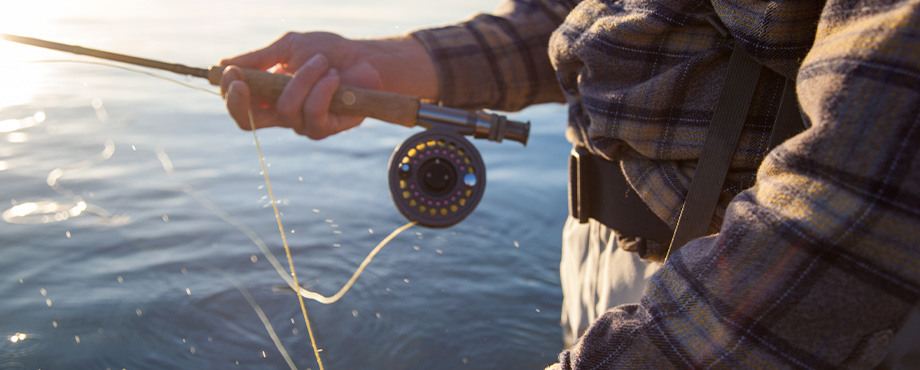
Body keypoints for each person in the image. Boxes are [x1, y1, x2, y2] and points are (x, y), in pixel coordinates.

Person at [220, 0, 920, 368]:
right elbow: (588, 16)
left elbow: (858, 213)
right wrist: (379, 62)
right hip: (607, 262)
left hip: (760, 305)